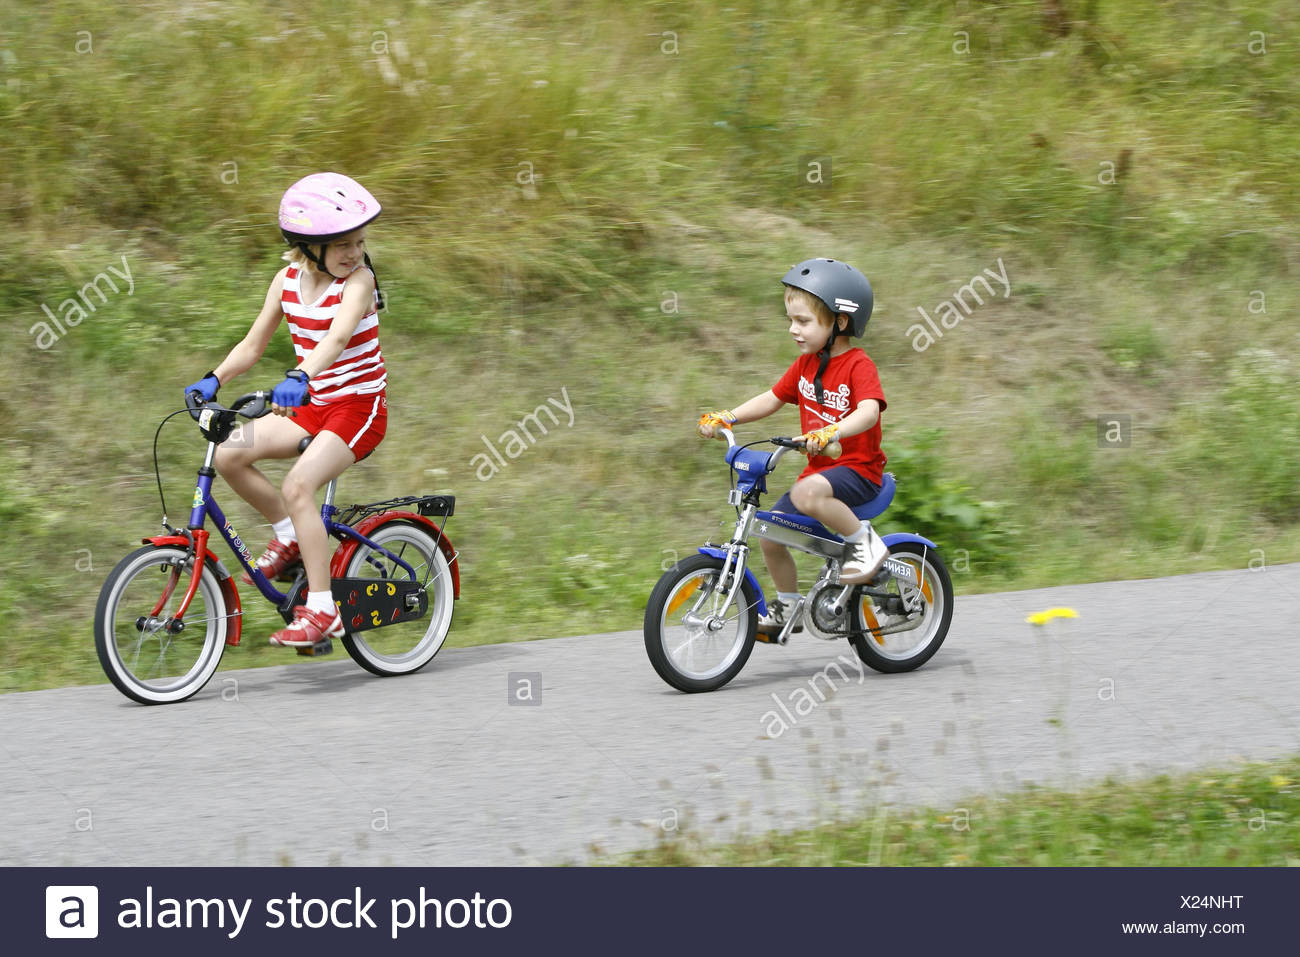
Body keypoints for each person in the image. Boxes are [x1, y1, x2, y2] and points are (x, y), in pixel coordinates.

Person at [184, 172, 388, 649]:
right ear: (307, 245)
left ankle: (323, 610)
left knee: (299, 483)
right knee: (231, 454)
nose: (353, 253)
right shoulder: (286, 281)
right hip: (314, 405)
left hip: (358, 409)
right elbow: (253, 344)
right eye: (341, 244)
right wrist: (214, 377)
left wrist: (301, 375)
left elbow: (337, 338)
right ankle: (289, 534)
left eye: (358, 242)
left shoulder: (359, 281)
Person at [698, 258, 890, 639]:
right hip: (818, 477)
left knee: (806, 491)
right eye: (790, 320)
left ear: (840, 321)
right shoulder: (805, 365)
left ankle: (867, 548)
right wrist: (728, 418)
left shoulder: (857, 365)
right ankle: (788, 605)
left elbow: (868, 411)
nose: (793, 329)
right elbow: (772, 398)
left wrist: (833, 431)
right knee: (769, 533)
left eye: (803, 321)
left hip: (859, 471)